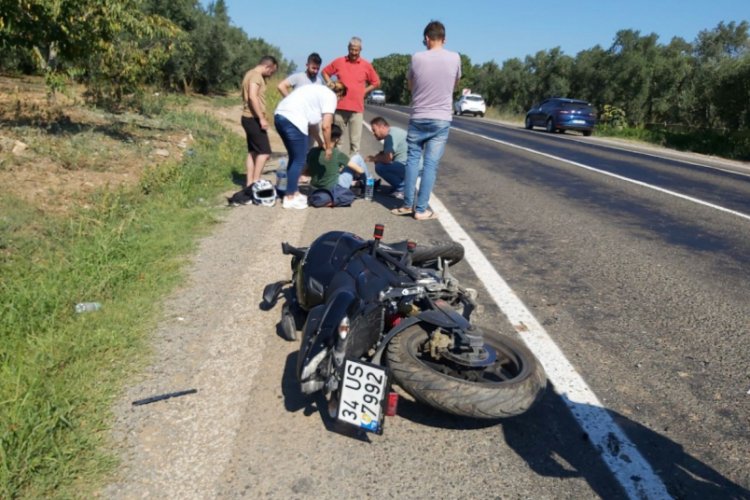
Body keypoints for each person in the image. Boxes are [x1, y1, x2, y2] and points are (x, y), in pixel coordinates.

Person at [392, 21, 461, 221]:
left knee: (413, 160)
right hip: (441, 118)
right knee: (430, 164)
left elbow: (411, 85)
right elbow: (455, 84)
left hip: (419, 115)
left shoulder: (417, 57)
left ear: (426, 38)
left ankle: (406, 204)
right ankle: (421, 210)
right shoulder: (455, 57)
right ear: (444, 39)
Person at [274, 81, 348, 209]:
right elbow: (326, 126)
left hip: (279, 116)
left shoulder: (317, 91)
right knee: (299, 160)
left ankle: (294, 191)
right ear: (340, 94)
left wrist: (320, 142)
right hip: (294, 120)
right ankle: (289, 197)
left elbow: (312, 125)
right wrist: (329, 148)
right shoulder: (331, 97)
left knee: (294, 157)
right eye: (341, 99)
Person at [322, 37, 380, 156]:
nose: (354, 53)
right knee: (337, 140)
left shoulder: (366, 65)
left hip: (357, 110)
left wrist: (364, 91)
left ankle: (351, 171)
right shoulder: (339, 61)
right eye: (352, 49)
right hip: (339, 107)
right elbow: (325, 72)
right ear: (348, 48)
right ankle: (336, 168)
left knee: (355, 144)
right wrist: (331, 84)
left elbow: (376, 82)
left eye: (356, 50)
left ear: (360, 50)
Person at [241, 55, 278, 188]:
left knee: (253, 152)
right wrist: (261, 118)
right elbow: (252, 96)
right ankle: (256, 183)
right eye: (271, 71)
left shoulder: (249, 74)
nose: (271, 74)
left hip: (247, 117)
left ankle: (250, 182)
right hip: (253, 118)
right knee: (265, 152)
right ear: (267, 66)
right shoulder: (256, 76)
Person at [304, 124, 367, 191]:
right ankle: (369, 184)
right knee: (357, 158)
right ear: (337, 139)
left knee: (336, 171)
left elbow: (307, 171)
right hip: (332, 189)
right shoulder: (337, 154)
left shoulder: (312, 151)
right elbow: (360, 170)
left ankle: (357, 183)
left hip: (314, 187)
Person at [367, 116, 409, 199]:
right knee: (380, 158)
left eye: (374, 130)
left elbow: (388, 159)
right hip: (412, 166)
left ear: (382, 127)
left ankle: (402, 189)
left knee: (380, 166)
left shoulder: (390, 137)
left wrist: (374, 159)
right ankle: (400, 184)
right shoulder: (393, 131)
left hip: (408, 167)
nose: (373, 133)